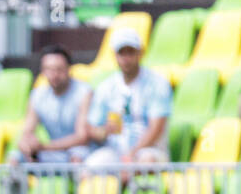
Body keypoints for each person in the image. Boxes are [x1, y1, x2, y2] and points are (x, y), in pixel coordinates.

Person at [84, 28, 171, 167]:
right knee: (88, 167)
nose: (126, 58)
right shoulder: (106, 87)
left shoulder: (157, 84)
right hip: (114, 152)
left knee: (144, 161)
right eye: (121, 53)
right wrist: (105, 130)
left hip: (150, 151)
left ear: (140, 53)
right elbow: (92, 127)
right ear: (115, 55)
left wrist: (131, 155)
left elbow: (156, 128)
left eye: (130, 52)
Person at [12, 44, 91, 164]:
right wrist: (27, 143)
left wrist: (45, 147)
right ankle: (9, 181)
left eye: (59, 69)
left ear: (69, 69)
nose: (54, 74)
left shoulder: (84, 92)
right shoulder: (37, 95)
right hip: (51, 153)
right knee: (15, 156)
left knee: (78, 155)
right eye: (49, 69)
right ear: (42, 71)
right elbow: (27, 131)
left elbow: (82, 137)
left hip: (79, 152)